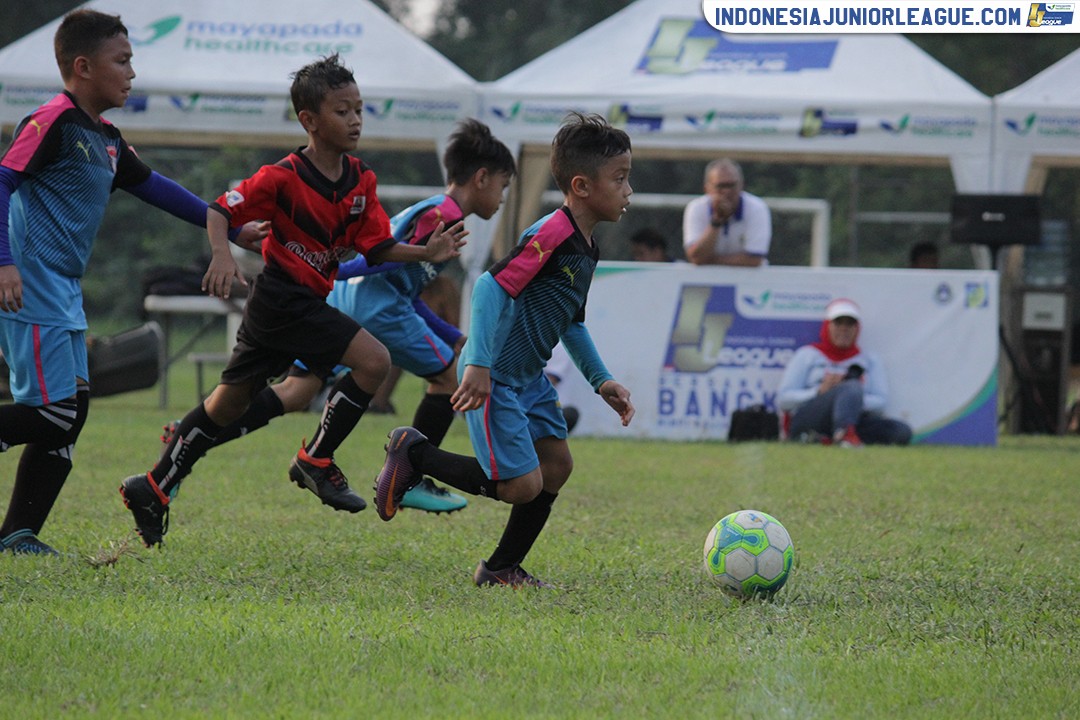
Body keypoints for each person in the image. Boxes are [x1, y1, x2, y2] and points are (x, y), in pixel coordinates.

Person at [119, 54, 467, 547]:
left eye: (359, 110)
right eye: (342, 111)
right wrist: (222, 254)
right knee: (374, 362)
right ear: (309, 120)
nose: (355, 120)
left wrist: (423, 251)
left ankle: (153, 486)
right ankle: (315, 461)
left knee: (226, 407)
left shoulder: (361, 181)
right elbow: (221, 209)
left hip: (294, 306)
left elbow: (376, 247)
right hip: (284, 300)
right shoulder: (282, 176)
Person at [0, 10, 265, 556]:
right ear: (82, 66)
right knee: (54, 412)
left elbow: (163, 191)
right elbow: (2, 180)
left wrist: (233, 227)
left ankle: (18, 535)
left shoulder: (107, 140)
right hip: (27, 285)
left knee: (71, 411)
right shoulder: (52, 120)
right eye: (121, 61)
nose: (132, 73)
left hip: (61, 291)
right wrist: (4, 263)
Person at [161, 118, 517, 515]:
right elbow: (380, 260)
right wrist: (329, 270)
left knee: (297, 391)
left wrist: (450, 333)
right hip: (374, 306)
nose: (502, 198)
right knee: (449, 377)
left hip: (350, 301)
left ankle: (192, 435)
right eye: (503, 186)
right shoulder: (443, 217)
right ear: (482, 178)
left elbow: (404, 287)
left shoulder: (435, 210)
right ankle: (410, 476)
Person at [373, 112, 636, 588]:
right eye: (619, 179)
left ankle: (500, 568)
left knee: (557, 466)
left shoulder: (586, 247)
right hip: (495, 376)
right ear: (581, 185)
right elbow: (492, 287)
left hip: (528, 378)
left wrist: (602, 380)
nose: (628, 190)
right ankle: (415, 452)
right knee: (522, 486)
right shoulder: (552, 233)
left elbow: (571, 322)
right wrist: (477, 364)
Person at [776, 298, 912, 447]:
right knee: (851, 386)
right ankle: (843, 435)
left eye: (850, 324)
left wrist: (849, 400)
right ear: (828, 326)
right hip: (813, 417)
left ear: (857, 328)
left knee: (901, 431)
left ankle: (834, 437)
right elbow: (783, 399)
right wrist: (819, 391)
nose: (844, 329)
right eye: (838, 323)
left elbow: (880, 403)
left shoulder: (869, 360)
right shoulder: (808, 354)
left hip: (855, 419)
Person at [682, 158, 771, 267]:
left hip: (750, 280)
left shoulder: (757, 208)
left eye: (731, 185)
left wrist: (708, 260)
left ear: (741, 185)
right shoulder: (696, 208)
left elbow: (754, 259)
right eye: (721, 186)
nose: (727, 192)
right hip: (707, 279)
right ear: (707, 188)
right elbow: (695, 256)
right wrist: (716, 222)